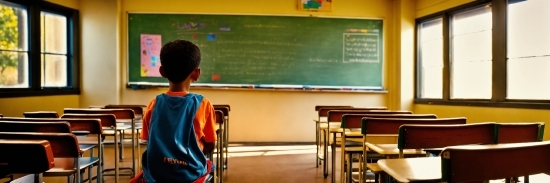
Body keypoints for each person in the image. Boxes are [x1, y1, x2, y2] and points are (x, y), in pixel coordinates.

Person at [131, 39, 217, 183]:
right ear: (196, 74)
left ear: (162, 71)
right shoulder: (203, 104)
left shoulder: (153, 104)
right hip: (189, 174)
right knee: (210, 165)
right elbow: (210, 144)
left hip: (156, 174)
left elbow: (148, 139)